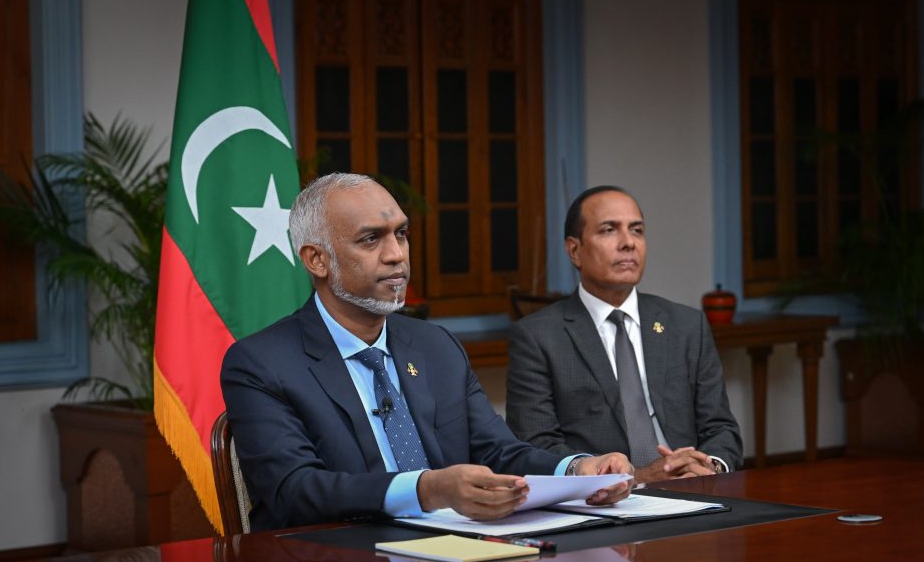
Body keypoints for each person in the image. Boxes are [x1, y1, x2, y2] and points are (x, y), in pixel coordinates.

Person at [221, 173, 632, 531]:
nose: (397, 255)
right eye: (371, 239)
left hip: (453, 557)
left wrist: (577, 470)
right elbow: (295, 490)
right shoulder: (261, 364)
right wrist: (426, 489)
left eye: (401, 234)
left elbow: (498, 452)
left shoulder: (436, 346)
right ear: (316, 260)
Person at [505, 185, 742, 483]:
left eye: (637, 230)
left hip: (693, 489)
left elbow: (721, 428)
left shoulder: (686, 325)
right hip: (602, 500)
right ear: (575, 251)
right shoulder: (538, 336)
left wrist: (709, 469)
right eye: (609, 230)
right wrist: (638, 478)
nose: (628, 242)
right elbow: (534, 446)